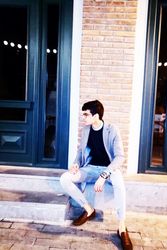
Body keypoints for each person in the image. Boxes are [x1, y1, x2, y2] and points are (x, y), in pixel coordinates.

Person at [60, 100, 132, 250]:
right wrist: (76, 164)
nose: (83, 117)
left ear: (96, 115)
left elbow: (120, 157)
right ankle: (89, 210)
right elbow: (81, 152)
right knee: (65, 178)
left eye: (86, 114)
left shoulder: (112, 130)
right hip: (90, 169)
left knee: (119, 184)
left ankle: (122, 227)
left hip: (109, 170)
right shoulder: (86, 130)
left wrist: (104, 175)